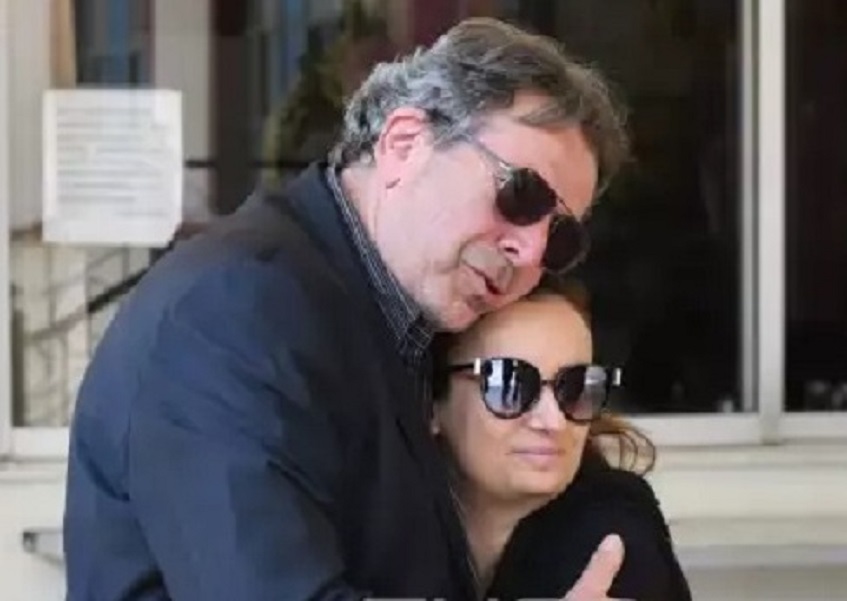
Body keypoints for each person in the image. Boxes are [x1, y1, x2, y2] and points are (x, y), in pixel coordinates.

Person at [63, 18, 630, 600]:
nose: (530, 251)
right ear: (404, 143)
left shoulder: (406, 313)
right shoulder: (233, 309)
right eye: (521, 196)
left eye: (560, 238)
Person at [431, 280, 693, 600]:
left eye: (576, 386)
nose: (554, 422)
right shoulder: (388, 525)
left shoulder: (614, 532)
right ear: (431, 403)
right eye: (510, 384)